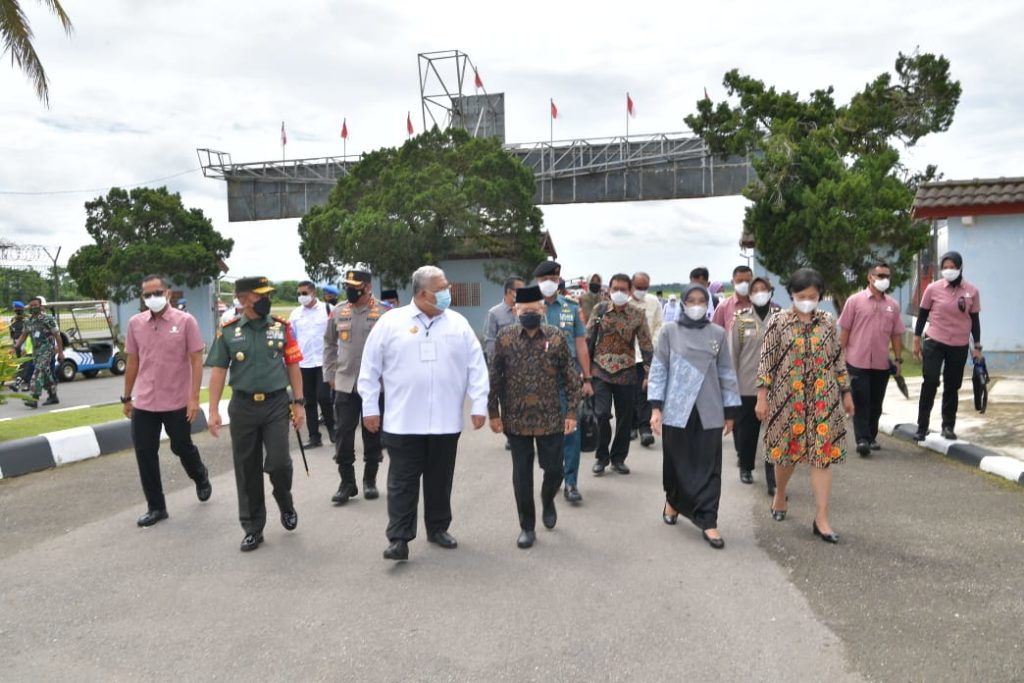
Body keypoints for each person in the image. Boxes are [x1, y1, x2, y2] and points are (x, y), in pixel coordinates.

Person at [358, 265, 489, 561]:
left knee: (439, 479)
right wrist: (369, 407)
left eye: (448, 287)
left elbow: (476, 367)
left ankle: (438, 527)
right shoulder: (391, 322)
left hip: (445, 419)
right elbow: (369, 368)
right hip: (403, 420)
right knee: (402, 481)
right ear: (421, 293)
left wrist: (479, 404)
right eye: (441, 289)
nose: (448, 293)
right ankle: (399, 538)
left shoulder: (458, 324)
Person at [205, 277, 305, 552]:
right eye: (261, 295)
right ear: (243, 299)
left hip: (275, 405)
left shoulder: (281, 327)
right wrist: (213, 411)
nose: (266, 299)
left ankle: (285, 501)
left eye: (268, 294)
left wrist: (299, 403)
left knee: (280, 462)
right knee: (246, 468)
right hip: (243, 406)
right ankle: (252, 528)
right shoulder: (228, 331)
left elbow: (294, 365)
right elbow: (217, 372)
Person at [755, 268, 854, 544]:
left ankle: (821, 518)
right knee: (786, 455)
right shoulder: (778, 322)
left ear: (820, 296)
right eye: (802, 296)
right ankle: (779, 493)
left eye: (813, 296)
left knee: (822, 458)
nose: (808, 300)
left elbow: (837, 358)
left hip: (823, 400)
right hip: (787, 401)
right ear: (792, 295)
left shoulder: (827, 321)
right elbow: (767, 361)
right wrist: (762, 397)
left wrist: (846, 391)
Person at [489, 285, 581, 549]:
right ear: (515, 310)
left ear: (542, 309)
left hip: (551, 417)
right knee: (521, 474)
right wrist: (494, 412)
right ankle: (527, 526)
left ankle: (548, 497)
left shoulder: (557, 336)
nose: (529, 313)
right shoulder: (505, 338)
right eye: (523, 309)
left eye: (533, 309)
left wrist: (572, 412)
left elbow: (570, 377)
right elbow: (495, 377)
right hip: (515, 419)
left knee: (554, 470)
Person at [649, 284, 740, 549]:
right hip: (676, 410)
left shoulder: (718, 334)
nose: (697, 305)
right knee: (677, 463)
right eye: (692, 300)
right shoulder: (669, 331)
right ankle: (674, 501)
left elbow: (726, 372)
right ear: (684, 303)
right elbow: (659, 369)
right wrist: (656, 407)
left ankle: (708, 520)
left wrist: (730, 411)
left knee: (709, 466)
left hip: (709, 410)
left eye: (702, 300)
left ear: (709, 303)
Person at [122, 274, 212, 527]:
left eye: (157, 293)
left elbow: (196, 359)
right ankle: (156, 507)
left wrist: (194, 398)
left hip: (177, 401)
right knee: (145, 453)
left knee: (180, 446)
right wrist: (127, 396)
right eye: (147, 295)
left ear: (168, 294)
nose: (153, 298)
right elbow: (133, 361)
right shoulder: (135, 323)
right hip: (145, 402)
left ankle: (200, 474)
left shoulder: (186, 322)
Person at [322, 269, 389, 504]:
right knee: (343, 433)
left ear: (368, 287)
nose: (350, 290)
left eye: (355, 286)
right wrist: (330, 372)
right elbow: (329, 343)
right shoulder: (339, 311)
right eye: (347, 285)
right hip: (345, 382)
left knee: (373, 433)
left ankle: (369, 480)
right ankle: (346, 483)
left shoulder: (384, 313)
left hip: (375, 385)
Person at [535, 260, 594, 503]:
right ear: (538, 280)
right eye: (545, 279)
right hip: (538, 380)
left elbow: (580, 344)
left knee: (572, 431)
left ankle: (571, 482)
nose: (550, 283)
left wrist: (587, 378)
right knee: (546, 432)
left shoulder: (571, 307)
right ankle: (553, 474)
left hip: (568, 377)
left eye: (554, 278)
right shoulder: (529, 307)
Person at [586, 273, 653, 475]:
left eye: (623, 289)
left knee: (624, 419)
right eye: (615, 289)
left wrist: (650, 374)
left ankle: (618, 458)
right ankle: (601, 457)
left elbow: (647, 345)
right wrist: (584, 373)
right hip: (600, 371)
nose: (619, 293)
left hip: (627, 373)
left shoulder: (637, 315)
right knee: (602, 414)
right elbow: (588, 339)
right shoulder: (599, 310)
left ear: (630, 291)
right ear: (609, 289)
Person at [912, 251, 982, 441]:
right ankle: (922, 426)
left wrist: (977, 347)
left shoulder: (971, 291)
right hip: (935, 341)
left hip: (958, 345)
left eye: (952, 267)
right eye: (945, 267)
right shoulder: (933, 289)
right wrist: (916, 339)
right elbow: (923, 314)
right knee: (931, 381)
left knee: (952, 386)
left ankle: (948, 426)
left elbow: (975, 321)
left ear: (960, 268)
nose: (948, 270)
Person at [838, 263, 906, 455]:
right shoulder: (854, 301)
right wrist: (838, 359)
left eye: (887, 276)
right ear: (870, 277)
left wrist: (899, 360)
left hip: (881, 363)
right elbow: (845, 331)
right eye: (880, 275)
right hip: (856, 361)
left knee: (876, 402)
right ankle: (862, 440)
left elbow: (896, 334)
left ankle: (872, 436)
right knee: (861, 400)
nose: (884, 279)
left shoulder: (893, 306)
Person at [729, 276, 781, 490]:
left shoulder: (781, 318)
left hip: (776, 386)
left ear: (771, 291)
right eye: (755, 290)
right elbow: (733, 354)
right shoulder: (740, 321)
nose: (760, 293)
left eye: (764, 289)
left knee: (774, 434)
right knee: (747, 432)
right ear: (749, 295)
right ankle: (746, 468)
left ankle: (773, 479)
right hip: (746, 385)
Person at [289, 280, 335, 448]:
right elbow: (291, 338)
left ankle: (333, 430)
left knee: (324, 397)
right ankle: (314, 436)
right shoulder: (295, 314)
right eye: (299, 294)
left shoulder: (328, 309)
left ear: (313, 293)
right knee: (308, 401)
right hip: (304, 362)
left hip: (324, 361)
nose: (302, 297)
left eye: (304, 293)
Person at [630, 272, 663, 447]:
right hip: (627, 356)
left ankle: (645, 429)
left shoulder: (653, 302)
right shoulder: (624, 303)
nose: (642, 291)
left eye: (645, 287)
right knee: (629, 393)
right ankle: (631, 425)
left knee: (644, 391)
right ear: (631, 286)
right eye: (638, 287)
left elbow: (659, 325)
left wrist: (652, 344)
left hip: (647, 355)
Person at [14, 296, 63, 409]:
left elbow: (57, 336)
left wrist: (60, 352)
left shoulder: (47, 319)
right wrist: (15, 347)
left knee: (37, 372)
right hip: (36, 351)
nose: (33, 307)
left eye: (35, 305)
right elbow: (24, 335)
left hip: (47, 349)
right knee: (45, 374)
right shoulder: (28, 321)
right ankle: (53, 395)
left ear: (40, 306)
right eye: (31, 306)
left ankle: (34, 398)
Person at [483, 276, 524, 360]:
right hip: (503, 363)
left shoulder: (525, 311)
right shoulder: (494, 313)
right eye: (520, 290)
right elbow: (490, 341)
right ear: (509, 291)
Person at [712, 265, 754, 332]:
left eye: (747, 281)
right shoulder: (723, 307)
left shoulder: (760, 305)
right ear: (732, 282)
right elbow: (715, 334)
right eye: (740, 281)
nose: (744, 284)